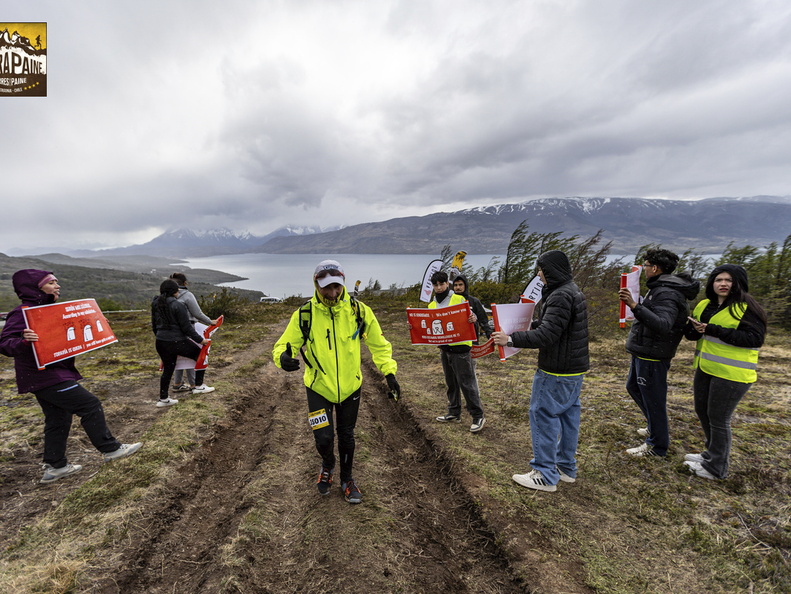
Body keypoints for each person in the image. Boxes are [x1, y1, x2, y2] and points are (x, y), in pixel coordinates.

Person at [273, 260, 400, 504]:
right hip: (317, 387)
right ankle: (328, 465)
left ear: (343, 284)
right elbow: (283, 345)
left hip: (351, 387)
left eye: (337, 287)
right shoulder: (304, 315)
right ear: (316, 284)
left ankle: (347, 478)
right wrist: (283, 358)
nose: (332, 293)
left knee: (347, 435)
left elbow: (379, 345)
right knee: (323, 437)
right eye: (326, 288)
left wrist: (390, 373)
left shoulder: (359, 311)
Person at [0, 269, 142, 484]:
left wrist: (98, 327)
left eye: (56, 282)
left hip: (53, 372)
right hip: (43, 376)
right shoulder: (23, 312)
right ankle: (110, 449)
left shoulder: (49, 309)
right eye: (51, 283)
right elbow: (4, 343)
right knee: (90, 404)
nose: (57, 286)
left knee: (59, 418)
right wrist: (22, 340)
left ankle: (55, 467)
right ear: (35, 288)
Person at [492, 250, 588, 492]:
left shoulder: (559, 296)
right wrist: (526, 326)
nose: (538, 274)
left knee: (543, 416)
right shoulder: (572, 291)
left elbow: (547, 335)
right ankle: (565, 467)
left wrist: (510, 340)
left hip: (555, 371)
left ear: (551, 270)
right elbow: (554, 325)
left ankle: (544, 474)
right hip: (574, 371)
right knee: (568, 418)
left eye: (541, 269)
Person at [682, 264, 766, 480]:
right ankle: (710, 455)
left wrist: (713, 329)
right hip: (706, 368)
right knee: (703, 411)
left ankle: (717, 468)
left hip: (732, 374)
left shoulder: (746, 308)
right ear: (712, 283)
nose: (723, 284)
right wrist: (691, 329)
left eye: (729, 280)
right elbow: (695, 334)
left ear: (738, 283)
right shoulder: (704, 305)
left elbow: (754, 339)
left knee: (719, 419)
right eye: (719, 280)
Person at [618, 249, 700, 457]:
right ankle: (655, 426)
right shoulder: (660, 289)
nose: (644, 269)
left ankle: (657, 446)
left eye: (645, 266)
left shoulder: (667, 293)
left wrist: (635, 306)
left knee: (654, 399)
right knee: (633, 387)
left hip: (653, 355)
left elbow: (663, 324)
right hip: (644, 350)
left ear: (654, 268)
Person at [430, 270, 486, 432]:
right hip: (444, 348)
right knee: (451, 382)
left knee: (467, 383)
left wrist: (473, 318)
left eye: (442, 284)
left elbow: (471, 316)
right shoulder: (432, 305)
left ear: (447, 284)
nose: (439, 287)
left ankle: (478, 415)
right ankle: (454, 412)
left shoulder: (459, 299)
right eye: (436, 285)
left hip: (461, 348)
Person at [151, 279, 212, 407]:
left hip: (161, 342)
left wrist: (162, 337)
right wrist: (201, 340)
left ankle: (163, 399)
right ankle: (199, 386)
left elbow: (154, 326)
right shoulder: (178, 305)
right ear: (174, 291)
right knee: (200, 355)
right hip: (177, 341)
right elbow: (187, 328)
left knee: (168, 369)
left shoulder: (156, 303)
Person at [168, 272, 219, 394]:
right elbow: (197, 313)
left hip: (170, 331)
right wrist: (210, 322)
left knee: (178, 356)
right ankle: (194, 384)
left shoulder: (166, 296)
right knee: (194, 354)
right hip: (188, 328)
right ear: (185, 283)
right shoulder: (187, 295)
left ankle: (177, 383)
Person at [452, 275, 492, 342]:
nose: (458, 287)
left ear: (465, 285)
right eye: (455, 285)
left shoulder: (474, 301)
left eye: (460, 285)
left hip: (472, 340)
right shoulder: (449, 302)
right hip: (454, 340)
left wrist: (490, 336)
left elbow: (483, 321)